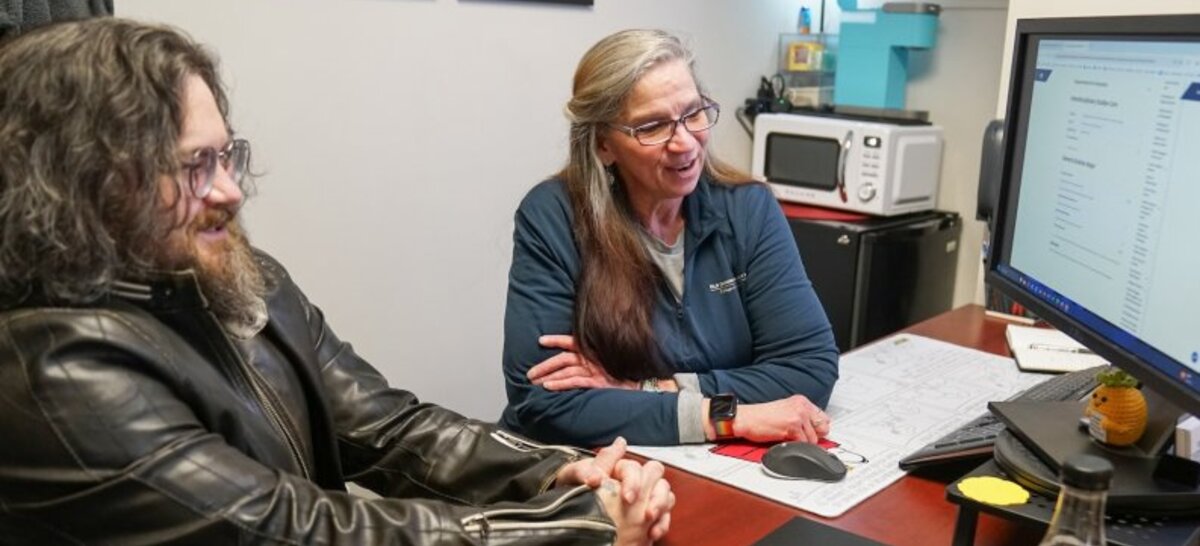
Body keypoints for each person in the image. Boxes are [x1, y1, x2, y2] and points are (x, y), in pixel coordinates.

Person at [0, 18, 673, 545]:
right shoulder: (52, 370)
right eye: (195, 165)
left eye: (227, 154)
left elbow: (389, 428)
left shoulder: (240, 277)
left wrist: (554, 471)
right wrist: (578, 526)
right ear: (87, 180)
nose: (231, 192)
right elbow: (289, 529)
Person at [500, 29, 840, 447]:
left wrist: (641, 391)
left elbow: (809, 368)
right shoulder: (553, 216)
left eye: (693, 114)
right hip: (589, 471)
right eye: (653, 126)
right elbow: (544, 403)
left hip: (703, 470)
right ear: (604, 145)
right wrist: (725, 416)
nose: (684, 144)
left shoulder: (748, 208)